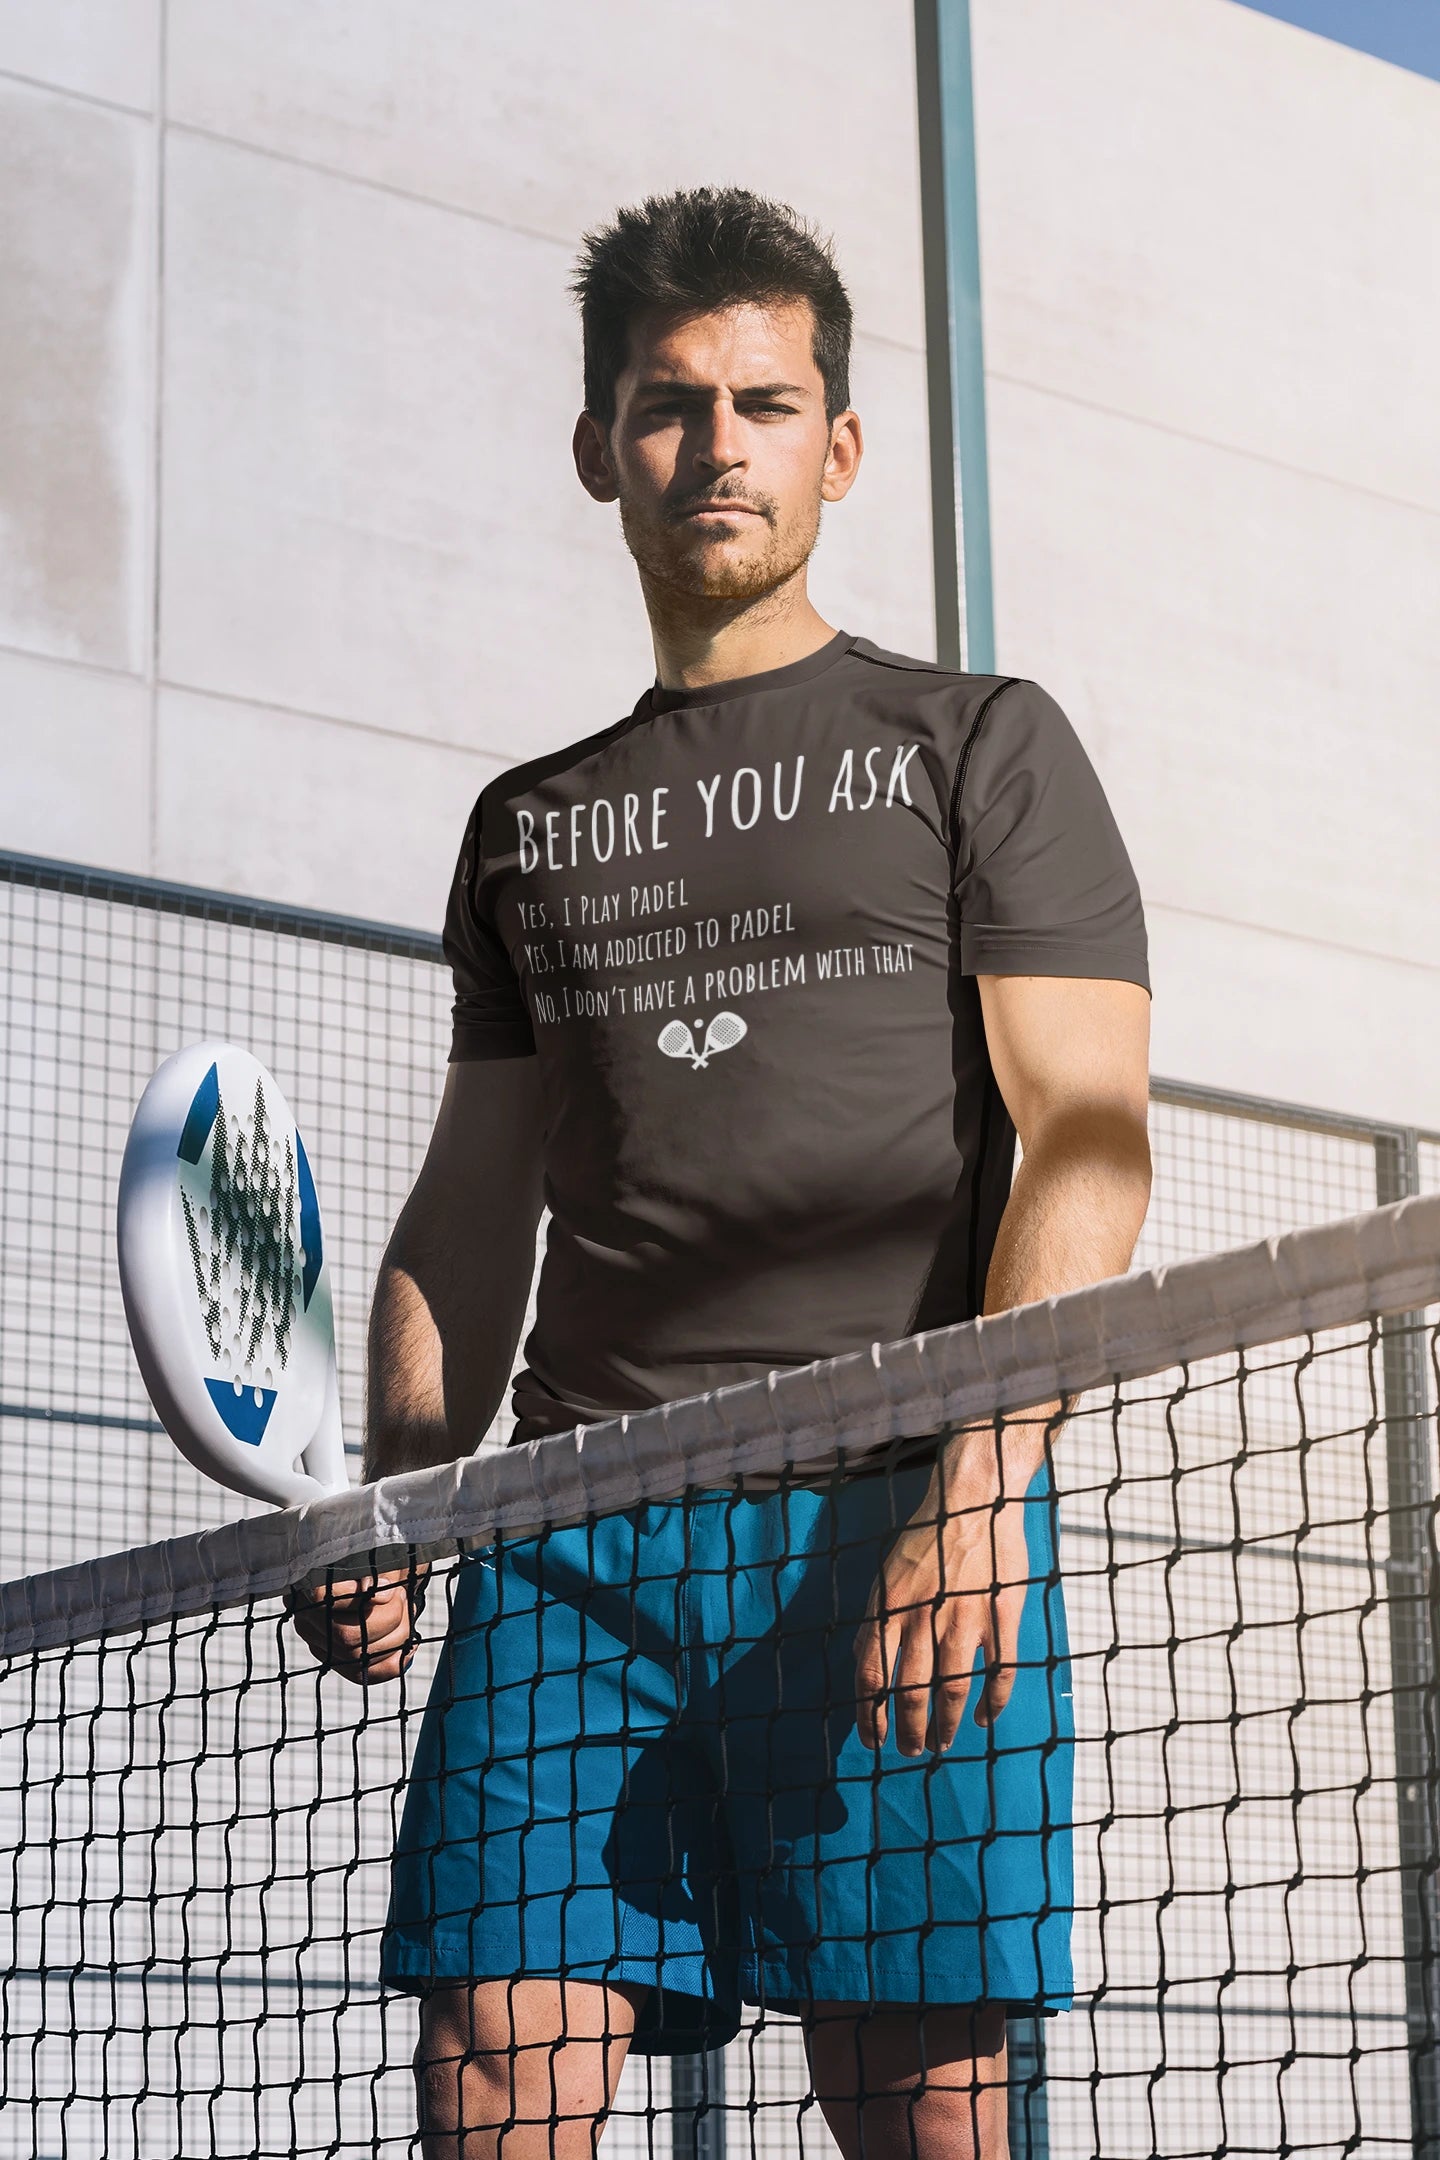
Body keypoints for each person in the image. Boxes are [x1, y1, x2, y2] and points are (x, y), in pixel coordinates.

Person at [290, 186, 1152, 2160]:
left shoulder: (980, 744)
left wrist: (978, 1491)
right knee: (491, 2070)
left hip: (890, 1504)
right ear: (599, 447)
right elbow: (470, 1204)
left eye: (765, 403)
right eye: (670, 405)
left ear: (837, 447)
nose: (717, 445)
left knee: (923, 2107)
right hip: (571, 1534)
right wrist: (398, 1494)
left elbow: (1090, 1144)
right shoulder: (526, 827)